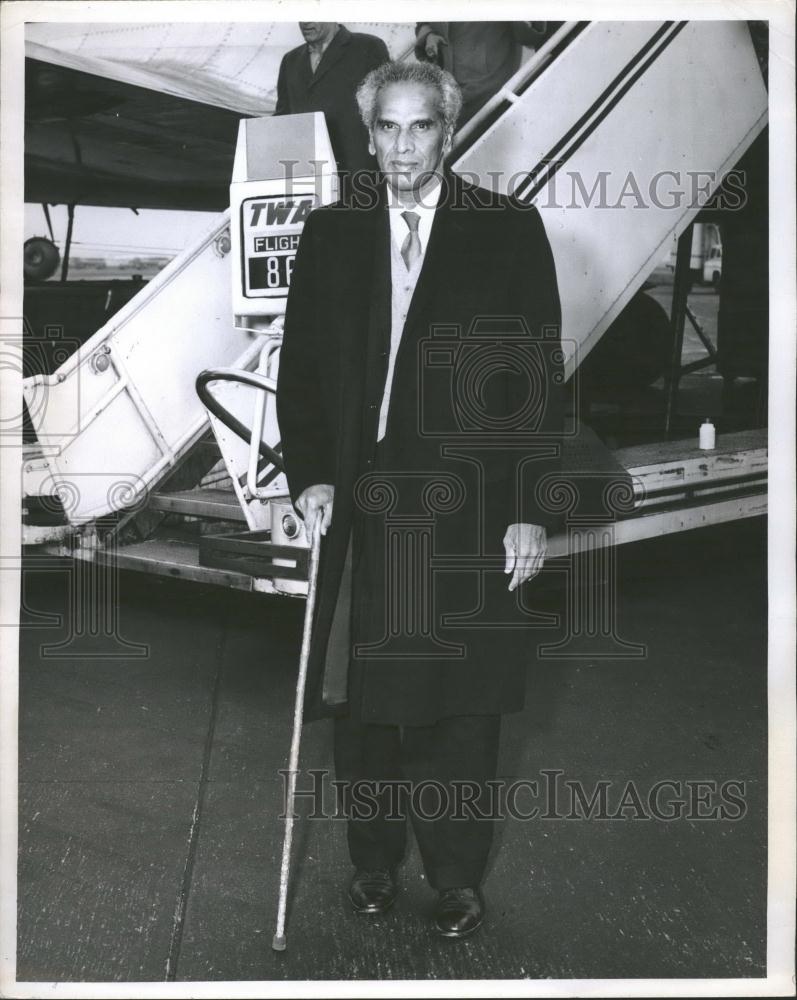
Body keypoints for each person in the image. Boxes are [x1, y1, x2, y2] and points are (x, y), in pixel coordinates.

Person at [276, 60, 563, 939]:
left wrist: (528, 506)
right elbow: (303, 374)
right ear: (369, 136)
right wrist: (312, 473)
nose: (403, 146)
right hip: (363, 504)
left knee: (460, 703)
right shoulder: (330, 234)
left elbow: (535, 378)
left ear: (451, 131)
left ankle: (454, 877)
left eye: (421, 127)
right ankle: (371, 864)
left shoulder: (506, 231)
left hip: (468, 502)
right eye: (387, 129)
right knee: (361, 703)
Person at [274, 23, 389, 177]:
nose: (306, 21)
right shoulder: (290, 61)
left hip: (361, 178)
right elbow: (282, 120)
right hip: (308, 178)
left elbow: (388, 112)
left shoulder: (370, 47)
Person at [414, 21, 549, 123]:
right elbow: (423, 22)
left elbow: (532, 34)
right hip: (451, 95)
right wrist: (429, 35)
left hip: (490, 93)